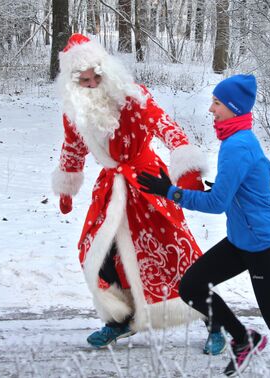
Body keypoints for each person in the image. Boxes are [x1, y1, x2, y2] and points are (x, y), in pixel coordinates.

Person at [137, 74, 270, 377]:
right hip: (240, 242)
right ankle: (244, 338)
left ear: (234, 108)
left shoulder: (237, 145)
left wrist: (170, 192)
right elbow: (264, 173)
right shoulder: (240, 139)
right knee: (192, 287)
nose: (211, 109)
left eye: (217, 103)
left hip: (264, 248)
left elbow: (217, 205)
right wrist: (228, 186)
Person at [51, 33, 226, 354]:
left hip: (147, 183)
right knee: (101, 253)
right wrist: (67, 184)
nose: (91, 84)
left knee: (175, 251)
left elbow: (165, 126)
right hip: (111, 188)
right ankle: (122, 318)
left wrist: (185, 166)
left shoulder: (132, 95)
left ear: (106, 70)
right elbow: (73, 147)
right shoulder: (74, 111)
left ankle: (214, 320)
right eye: (84, 80)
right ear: (73, 82)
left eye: (95, 76)